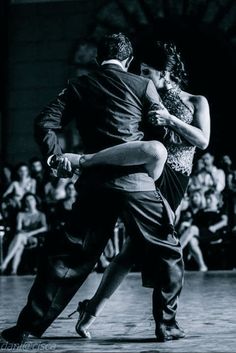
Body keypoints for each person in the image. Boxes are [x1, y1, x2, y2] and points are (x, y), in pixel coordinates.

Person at [1, 33, 184, 344]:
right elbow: (158, 131)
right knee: (167, 251)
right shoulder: (143, 85)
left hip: (95, 184)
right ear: (128, 61)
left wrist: (55, 158)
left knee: (68, 258)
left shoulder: (79, 85)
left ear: (98, 60)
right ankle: (166, 327)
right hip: (137, 183)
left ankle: (25, 329)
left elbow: (43, 122)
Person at [53, 41, 210, 338]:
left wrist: (170, 120)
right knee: (158, 244)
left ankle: (91, 309)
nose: (141, 75)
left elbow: (202, 141)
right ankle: (163, 323)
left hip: (178, 178)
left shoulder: (197, 101)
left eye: (147, 71)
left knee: (131, 251)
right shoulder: (142, 95)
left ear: (164, 73)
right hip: (148, 173)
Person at [0, 192, 48, 275]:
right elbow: (18, 229)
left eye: (31, 199)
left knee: (19, 239)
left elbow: (45, 228)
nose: (29, 201)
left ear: (35, 201)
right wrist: (25, 235)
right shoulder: (21, 214)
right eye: (27, 200)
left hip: (34, 238)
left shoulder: (41, 214)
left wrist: (29, 234)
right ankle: (13, 271)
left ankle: (4, 264)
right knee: (20, 244)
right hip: (22, 238)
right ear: (25, 203)